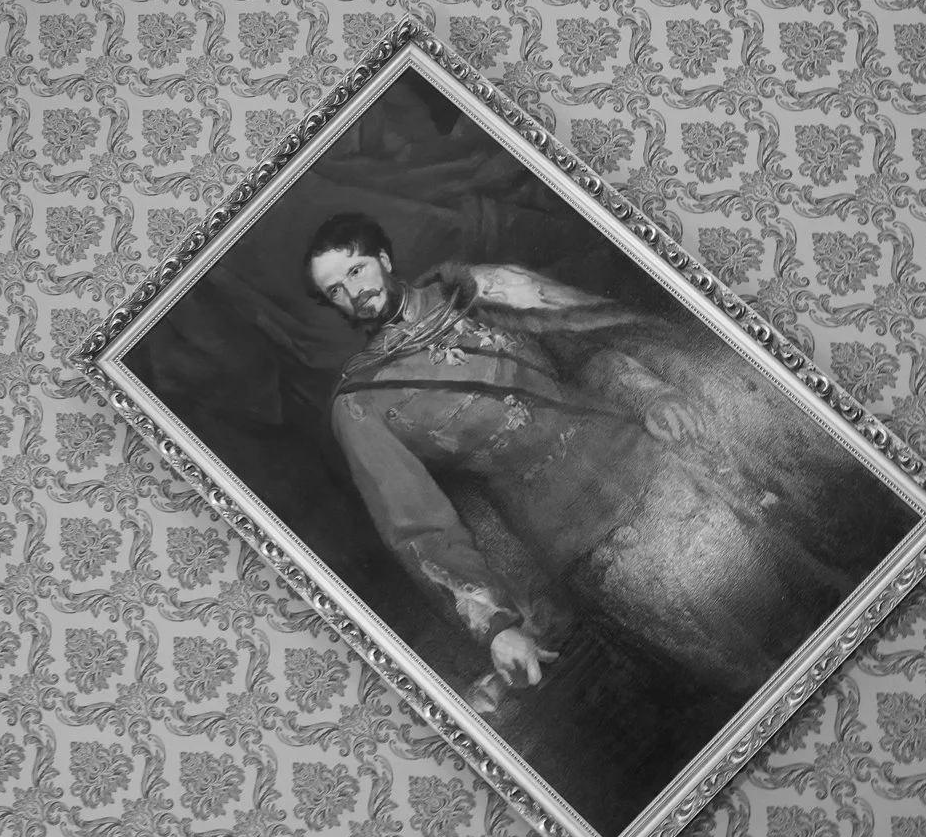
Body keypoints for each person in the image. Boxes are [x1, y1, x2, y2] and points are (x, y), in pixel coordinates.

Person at [304, 211, 862, 717]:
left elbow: (585, 348)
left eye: (355, 271)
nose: (352, 293)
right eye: (334, 290)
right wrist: (495, 627)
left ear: (381, 259)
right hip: (582, 538)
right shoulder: (361, 403)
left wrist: (649, 395)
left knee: (814, 597)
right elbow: (418, 526)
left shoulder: (476, 290)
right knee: (751, 680)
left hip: (653, 462)